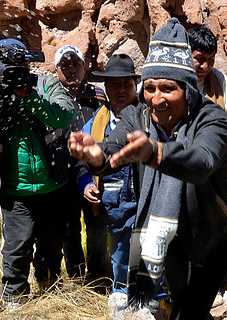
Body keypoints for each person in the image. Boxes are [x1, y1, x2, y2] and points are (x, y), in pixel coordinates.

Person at [68, 18, 227, 320]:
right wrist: (92, 155)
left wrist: (156, 154)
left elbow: (201, 163)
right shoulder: (137, 116)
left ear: (188, 89)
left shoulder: (211, 119)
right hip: (169, 238)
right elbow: (110, 149)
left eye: (168, 88)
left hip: (211, 240)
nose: (157, 98)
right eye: (151, 87)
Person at [0, 39, 75, 309]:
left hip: (51, 185)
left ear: (29, 62)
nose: (18, 70)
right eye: (11, 65)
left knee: (52, 245)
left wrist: (30, 97)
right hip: (15, 190)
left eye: (22, 63)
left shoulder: (45, 85)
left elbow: (63, 116)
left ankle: (50, 293)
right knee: (17, 249)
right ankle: (14, 302)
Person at [76, 53, 140, 307]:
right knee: (100, 243)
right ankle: (101, 285)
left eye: (127, 84)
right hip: (103, 200)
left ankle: (130, 289)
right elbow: (80, 162)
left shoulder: (147, 118)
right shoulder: (93, 125)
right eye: (115, 84)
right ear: (106, 87)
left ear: (135, 86)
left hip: (137, 196)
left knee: (133, 243)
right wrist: (86, 184)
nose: (121, 89)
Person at [54, 45, 108, 280]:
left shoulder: (98, 96)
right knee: (69, 227)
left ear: (84, 67)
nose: (71, 69)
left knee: (96, 225)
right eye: (65, 65)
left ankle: (97, 275)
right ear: (56, 70)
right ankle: (76, 276)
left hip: (93, 170)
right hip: (63, 173)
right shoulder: (50, 96)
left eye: (76, 64)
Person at [187, 25, 227, 108]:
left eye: (211, 59)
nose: (205, 66)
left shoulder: (221, 81)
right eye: (199, 58)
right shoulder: (174, 81)